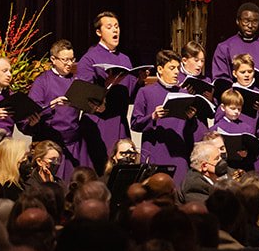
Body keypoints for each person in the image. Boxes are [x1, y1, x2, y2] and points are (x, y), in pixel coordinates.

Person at [75, 11, 135, 170]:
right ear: (99, 32)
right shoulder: (89, 58)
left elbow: (130, 92)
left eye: (117, 26)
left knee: (122, 170)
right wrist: (106, 85)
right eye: (109, 27)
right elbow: (82, 93)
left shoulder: (125, 59)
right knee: (101, 170)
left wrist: (140, 80)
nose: (115, 30)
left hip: (120, 121)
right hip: (99, 121)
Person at [130, 49, 192, 182]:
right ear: (160, 69)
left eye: (178, 68)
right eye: (172, 68)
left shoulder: (184, 93)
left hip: (178, 154)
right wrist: (152, 116)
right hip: (155, 152)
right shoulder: (145, 92)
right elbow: (135, 124)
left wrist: (191, 117)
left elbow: (189, 130)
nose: (176, 72)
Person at [26, 40, 82, 180]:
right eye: (65, 60)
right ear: (53, 59)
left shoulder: (76, 81)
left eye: (72, 59)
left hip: (72, 143)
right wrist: (52, 104)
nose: (69, 64)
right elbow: (31, 111)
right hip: (49, 143)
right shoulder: (42, 81)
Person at [211, 2, 259, 79]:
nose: (250, 25)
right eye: (246, 21)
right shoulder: (224, 48)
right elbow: (221, 81)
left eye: (255, 21)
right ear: (238, 21)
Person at [181, 137, 221, 203]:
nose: (221, 160)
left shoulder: (219, 174)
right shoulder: (195, 185)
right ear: (204, 166)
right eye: (217, 158)